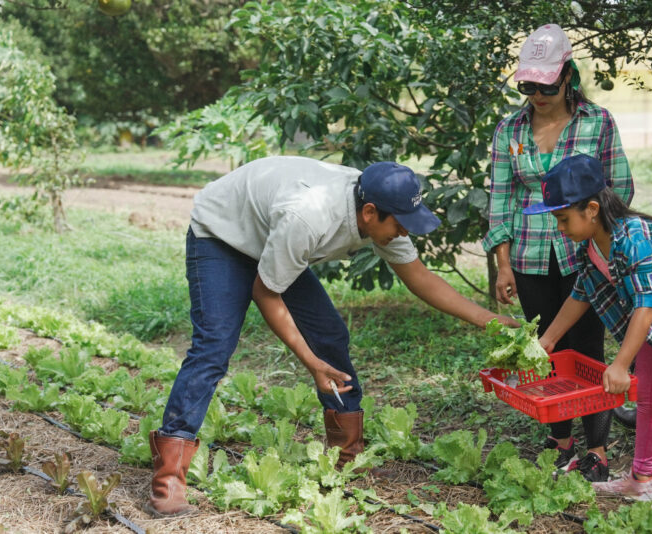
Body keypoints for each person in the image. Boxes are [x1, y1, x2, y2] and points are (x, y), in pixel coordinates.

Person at [144, 156, 518, 517]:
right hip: (222, 234)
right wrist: (311, 364)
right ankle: (168, 480)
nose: (405, 232)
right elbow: (266, 293)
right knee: (214, 346)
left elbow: (420, 277)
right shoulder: (309, 217)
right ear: (369, 213)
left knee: (330, 336)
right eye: (401, 225)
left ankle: (347, 460)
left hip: (273, 236)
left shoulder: (380, 206)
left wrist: (490, 321)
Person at [483, 23, 634, 482]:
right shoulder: (509, 128)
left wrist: (608, 248)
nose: (536, 94)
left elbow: (619, 188)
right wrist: (502, 264)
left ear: (567, 75)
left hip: (585, 253)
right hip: (529, 254)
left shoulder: (597, 122)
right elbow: (502, 198)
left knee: (587, 348)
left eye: (545, 84)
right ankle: (559, 441)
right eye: (527, 85)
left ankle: (597, 449)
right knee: (543, 349)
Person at [532, 154, 652, 520]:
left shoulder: (635, 237)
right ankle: (643, 478)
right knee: (647, 396)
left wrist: (619, 363)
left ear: (592, 209)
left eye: (563, 219)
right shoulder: (593, 245)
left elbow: (646, 304)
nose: (560, 228)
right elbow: (581, 294)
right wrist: (548, 340)